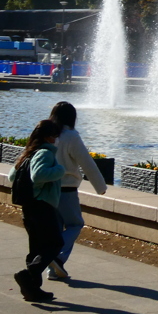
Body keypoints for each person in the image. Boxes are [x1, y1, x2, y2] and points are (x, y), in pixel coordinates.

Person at [47, 102, 107, 280]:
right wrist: (100, 187)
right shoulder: (71, 136)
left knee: (56, 229)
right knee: (75, 224)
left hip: (49, 188)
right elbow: (86, 162)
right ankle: (57, 257)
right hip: (67, 189)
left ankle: (53, 270)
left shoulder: (49, 134)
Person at [8, 119, 64, 302]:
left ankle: (32, 290)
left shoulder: (27, 153)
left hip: (29, 206)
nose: (56, 140)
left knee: (36, 248)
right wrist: (60, 170)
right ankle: (28, 274)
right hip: (43, 205)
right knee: (55, 243)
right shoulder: (45, 153)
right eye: (55, 136)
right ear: (48, 136)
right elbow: (38, 175)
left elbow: (11, 176)